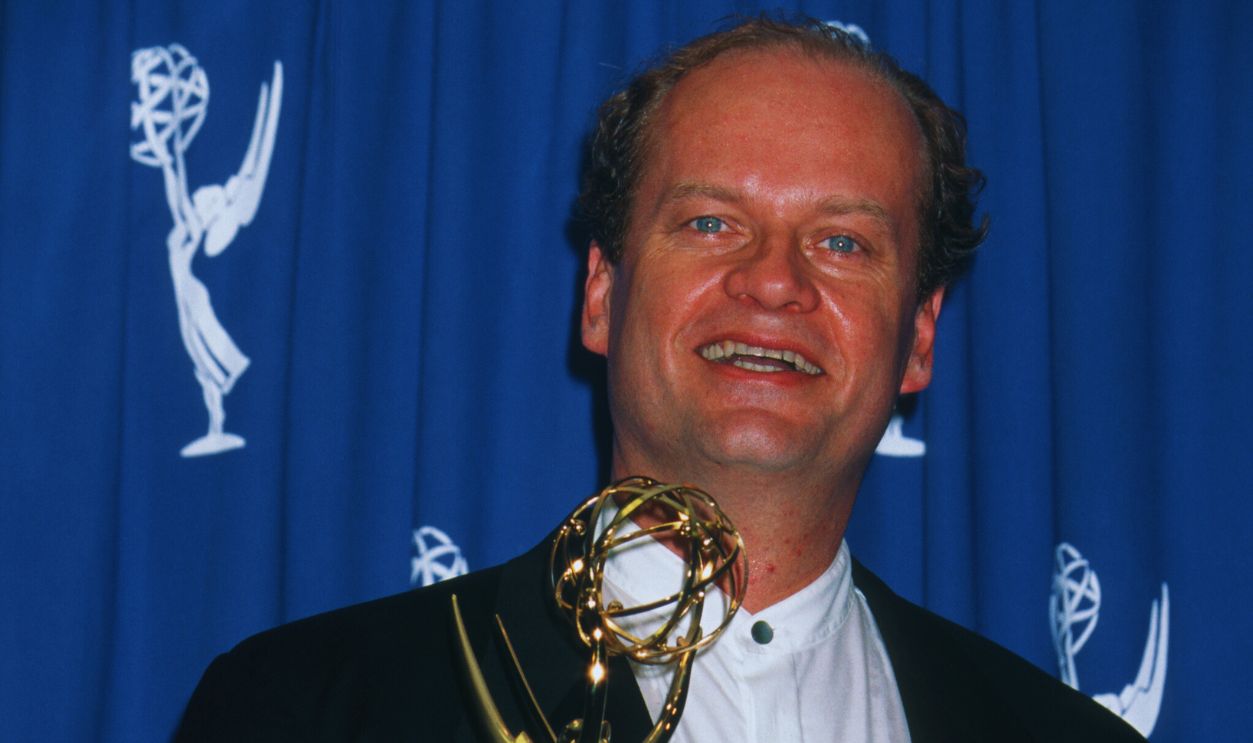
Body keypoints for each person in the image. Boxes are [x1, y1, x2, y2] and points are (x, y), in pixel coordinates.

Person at [173, 18, 1144, 742]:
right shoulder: (308, 709)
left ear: (919, 337)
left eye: (843, 241)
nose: (772, 280)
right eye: (710, 223)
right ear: (600, 293)